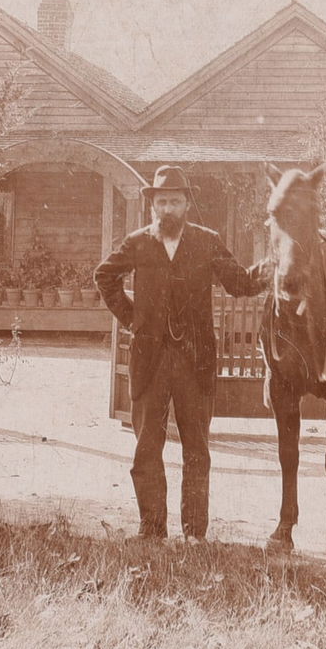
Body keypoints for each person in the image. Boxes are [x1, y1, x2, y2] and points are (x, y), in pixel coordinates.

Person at [95, 166, 267, 541]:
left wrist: (271, 267)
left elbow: (240, 283)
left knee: (197, 449)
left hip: (195, 360)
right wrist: (132, 317)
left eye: (175, 201)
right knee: (146, 448)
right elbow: (104, 276)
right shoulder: (138, 242)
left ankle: (194, 533)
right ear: (153, 205)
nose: (168, 208)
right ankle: (152, 527)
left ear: (187, 204)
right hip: (151, 360)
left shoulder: (207, 241)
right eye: (162, 201)